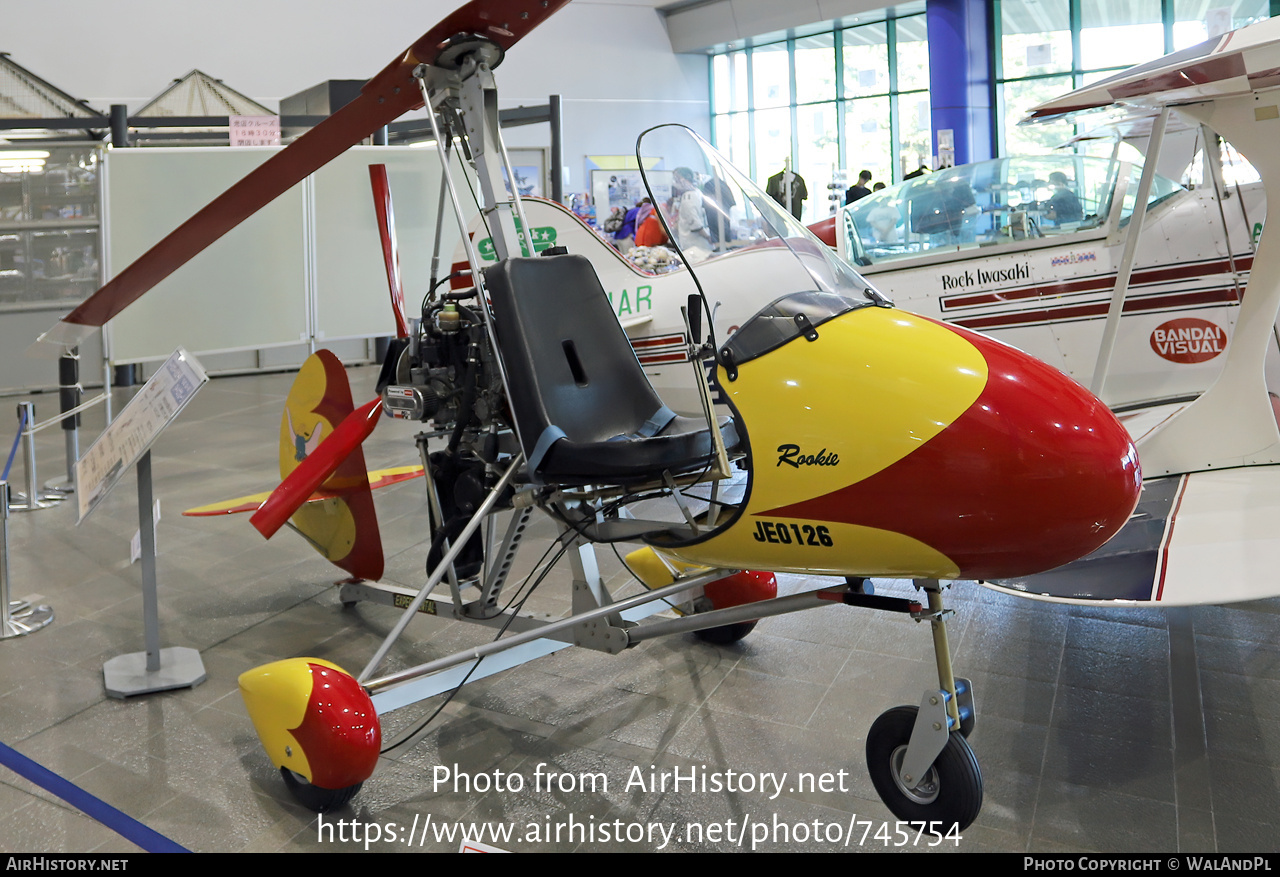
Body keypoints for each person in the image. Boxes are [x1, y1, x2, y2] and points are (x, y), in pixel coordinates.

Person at [672, 166, 714, 261]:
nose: (675, 182)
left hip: (695, 247)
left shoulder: (688, 197)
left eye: (676, 178)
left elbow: (694, 222)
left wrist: (707, 237)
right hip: (697, 245)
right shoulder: (696, 193)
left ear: (683, 179)